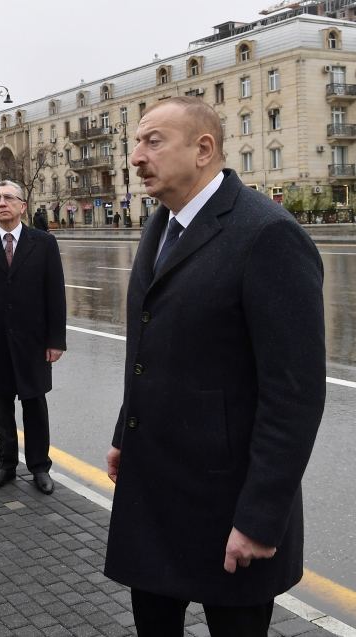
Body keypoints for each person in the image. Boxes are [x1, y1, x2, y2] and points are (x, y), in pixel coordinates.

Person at [104, 97, 325, 636]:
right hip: (154, 494)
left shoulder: (267, 234)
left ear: (204, 149)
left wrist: (259, 518)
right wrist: (123, 434)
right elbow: (149, 350)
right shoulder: (160, 225)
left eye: (152, 141)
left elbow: (293, 394)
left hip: (229, 507)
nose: (136, 156)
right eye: (136, 141)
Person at [0, 180, 66, 493]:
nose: (2, 202)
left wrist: (55, 340)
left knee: (35, 404)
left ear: (23, 206)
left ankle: (39, 467)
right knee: (1, 405)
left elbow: (55, 293)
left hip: (33, 340)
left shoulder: (43, 243)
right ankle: (6, 464)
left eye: (9, 197)